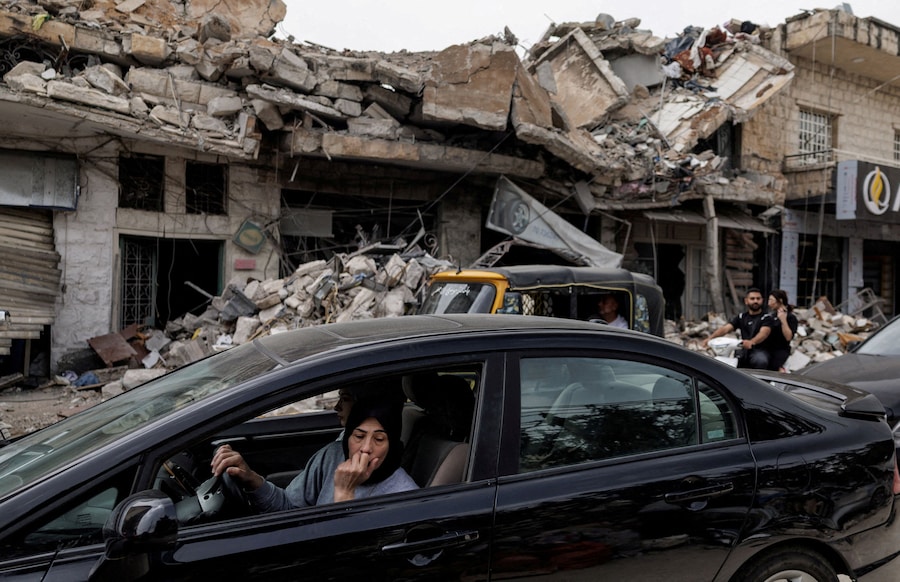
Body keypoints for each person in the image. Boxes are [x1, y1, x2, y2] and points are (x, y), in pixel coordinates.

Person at [211, 390, 416, 511]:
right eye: (359, 436)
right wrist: (252, 479)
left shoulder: (405, 494)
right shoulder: (332, 457)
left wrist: (345, 492)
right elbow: (290, 507)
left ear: (392, 444)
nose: (366, 449)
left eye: (379, 439)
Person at [701, 287, 769, 369]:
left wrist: (752, 342)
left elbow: (764, 333)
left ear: (762, 300)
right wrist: (710, 338)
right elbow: (726, 329)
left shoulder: (766, 318)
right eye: (752, 298)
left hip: (759, 350)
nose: (755, 301)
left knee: (760, 360)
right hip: (743, 350)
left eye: (758, 298)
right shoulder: (742, 317)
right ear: (746, 301)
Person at [757, 289, 799, 372]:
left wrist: (783, 320)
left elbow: (788, 337)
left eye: (771, 300)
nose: (769, 303)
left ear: (780, 301)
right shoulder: (771, 316)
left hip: (780, 350)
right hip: (767, 349)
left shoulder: (790, 318)